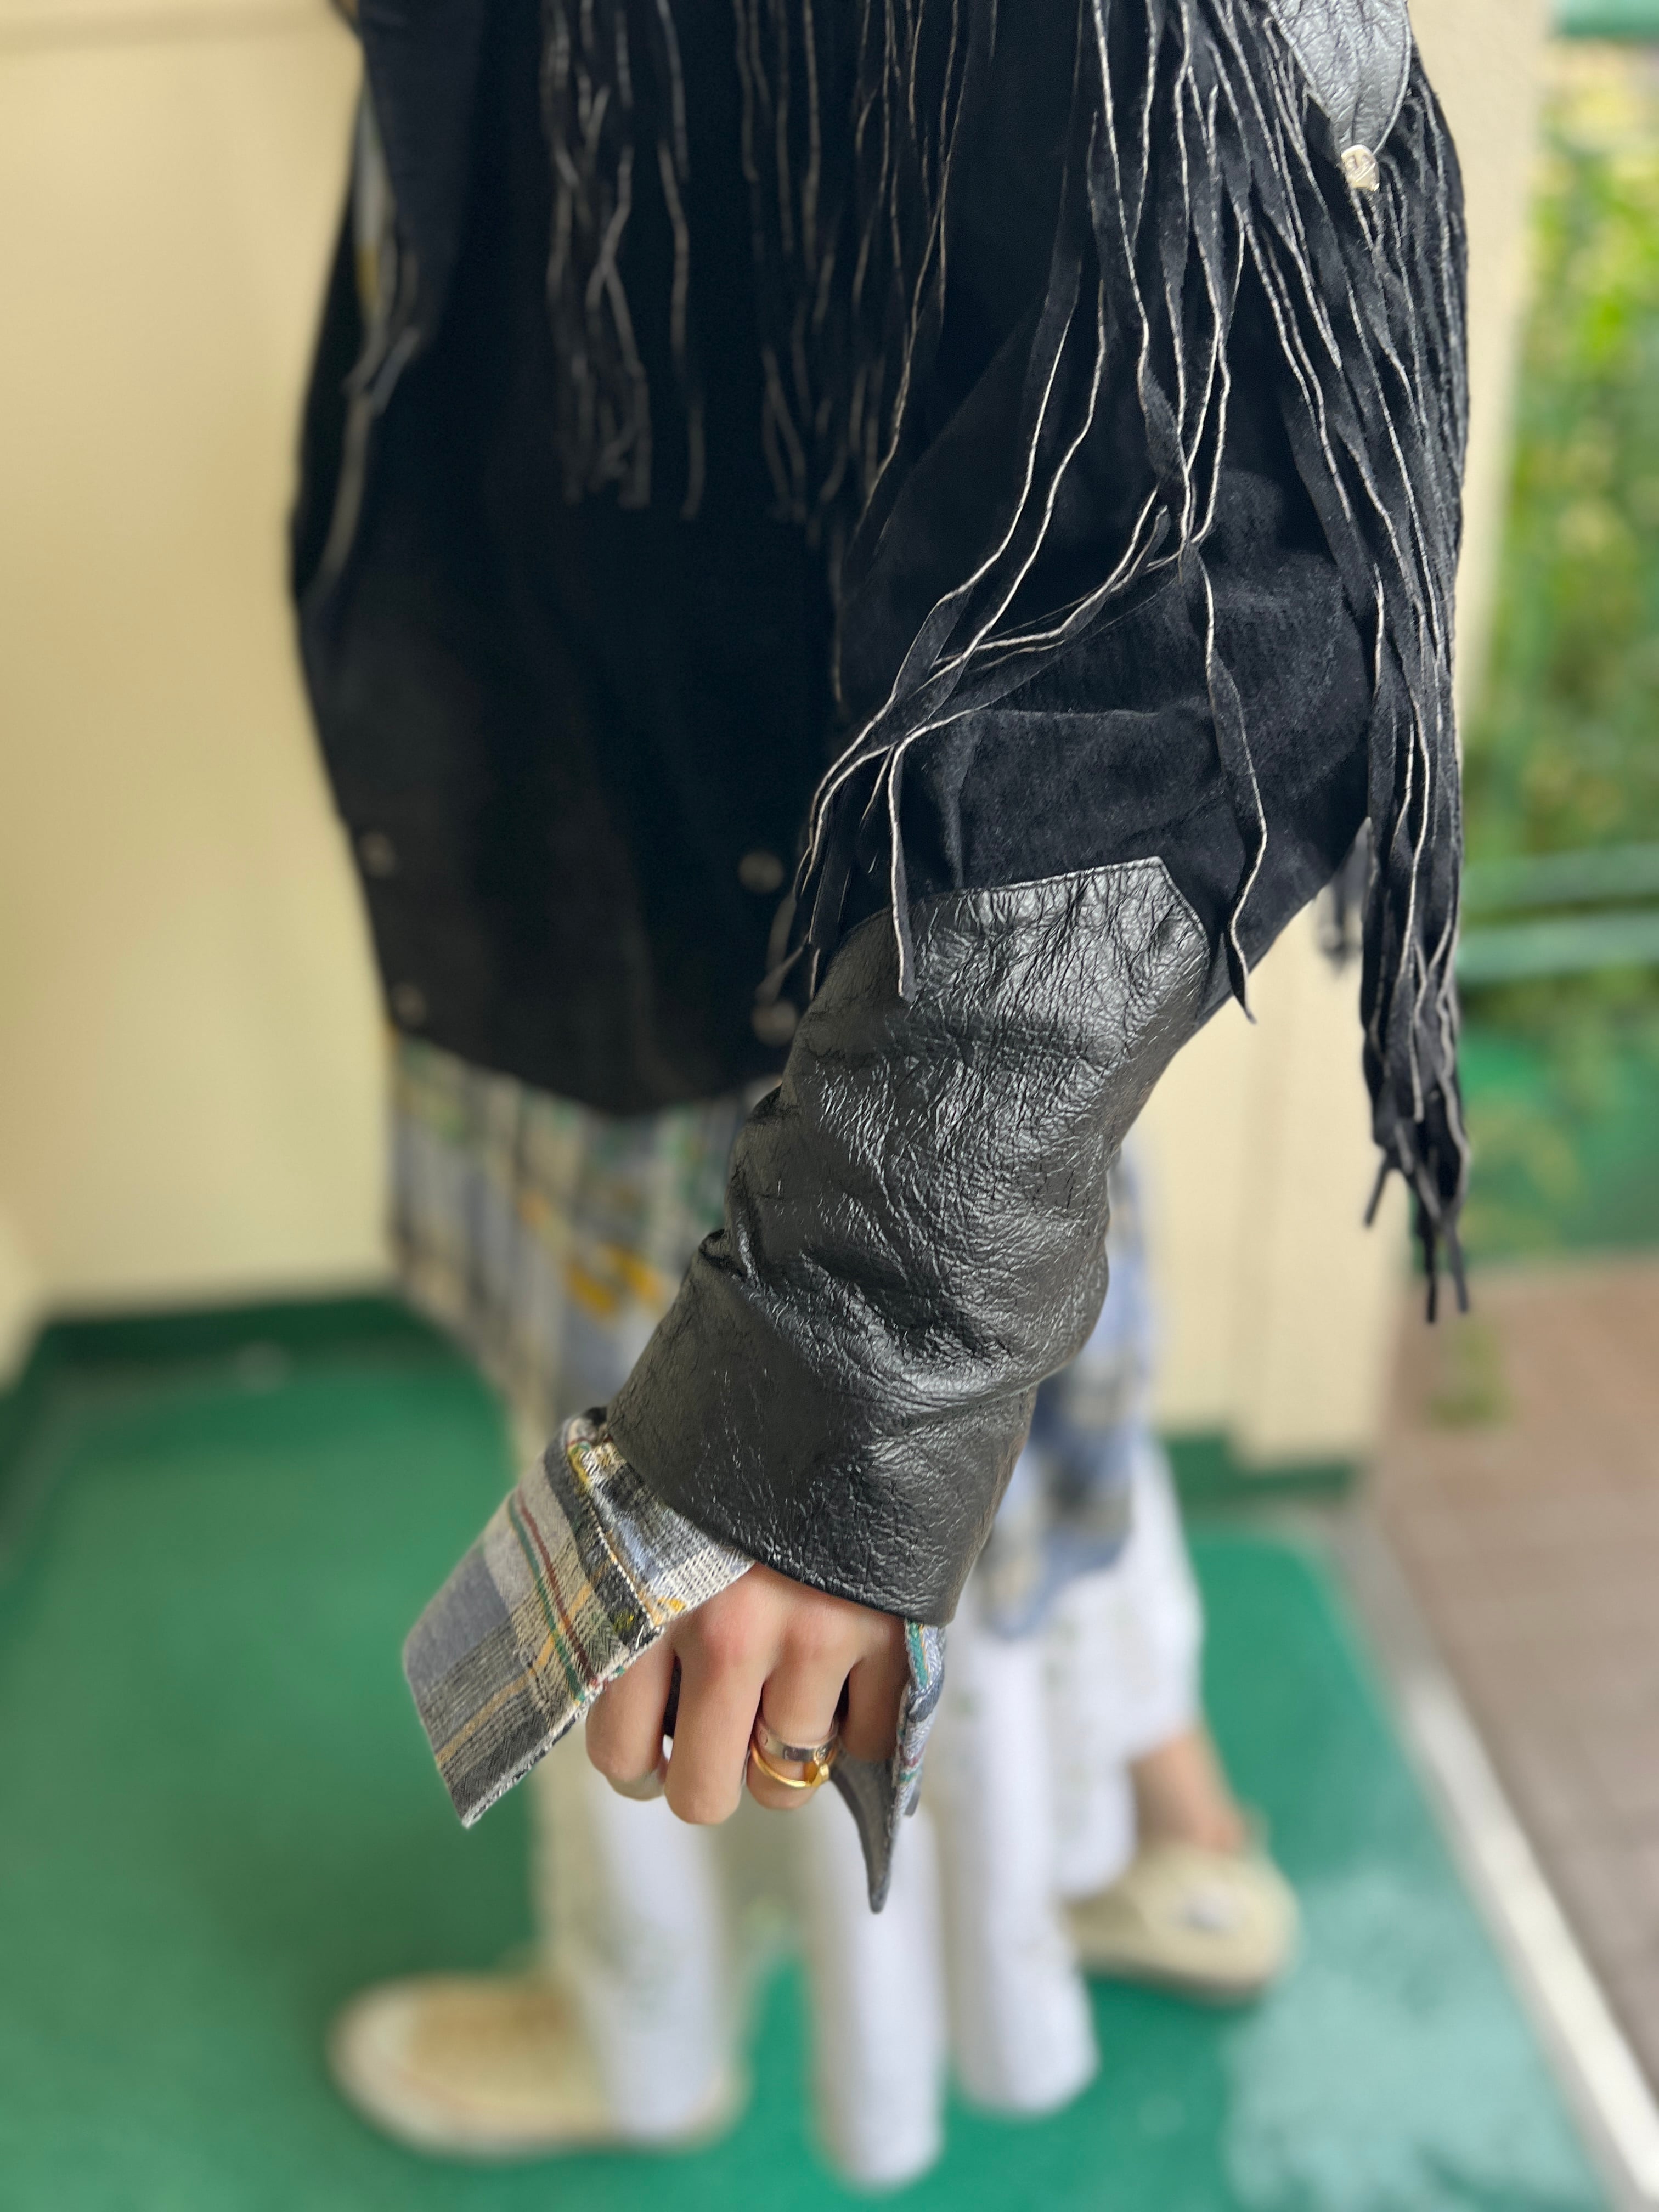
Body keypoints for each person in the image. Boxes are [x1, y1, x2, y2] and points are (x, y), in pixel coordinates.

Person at [294, 0, 1464, 2170]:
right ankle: (1164, 1824)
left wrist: (838, 1360)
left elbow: (1209, 510)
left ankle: (649, 2027)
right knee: (1031, 1368)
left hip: (804, 875)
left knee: (728, 1516)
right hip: (736, 767)